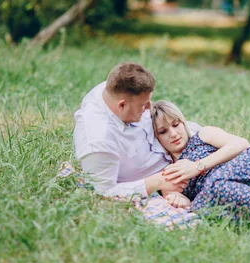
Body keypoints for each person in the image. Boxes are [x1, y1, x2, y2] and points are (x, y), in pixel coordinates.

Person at [151, 100, 250, 238]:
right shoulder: (168, 170)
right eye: (163, 131)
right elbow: (178, 199)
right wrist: (180, 200)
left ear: (183, 122)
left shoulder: (203, 135)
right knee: (214, 187)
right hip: (217, 196)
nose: (173, 134)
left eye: (175, 124)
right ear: (156, 138)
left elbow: (241, 144)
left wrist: (197, 166)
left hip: (244, 175)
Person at [73, 62, 200, 198]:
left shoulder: (116, 89)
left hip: (193, 148)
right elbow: (103, 191)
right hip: (177, 180)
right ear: (122, 105)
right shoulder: (98, 141)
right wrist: (156, 182)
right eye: (143, 105)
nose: (149, 108)